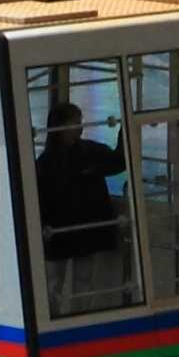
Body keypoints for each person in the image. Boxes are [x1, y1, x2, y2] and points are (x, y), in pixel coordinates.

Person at [33, 87, 126, 290]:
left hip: (78, 231)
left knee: (78, 283)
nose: (80, 127)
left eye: (80, 122)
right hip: (62, 232)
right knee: (54, 285)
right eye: (75, 123)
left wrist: (125, 130)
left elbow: (118, 162)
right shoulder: (47, 163)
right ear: (60, 127)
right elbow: (37, 200)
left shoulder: (84, 153)